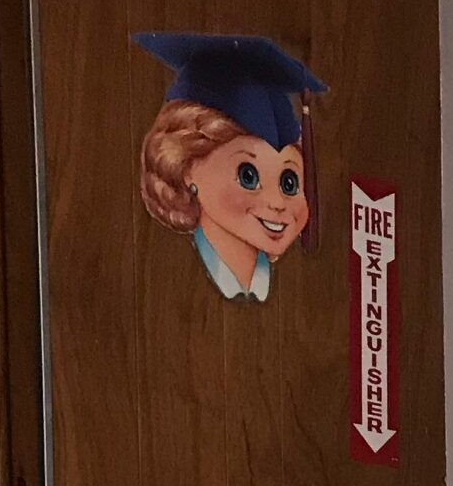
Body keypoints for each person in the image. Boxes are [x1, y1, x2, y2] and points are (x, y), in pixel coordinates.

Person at [133, 32, 325, 301]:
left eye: (289, 182)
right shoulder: (166, 282)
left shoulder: (285, 292)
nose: (277, 202)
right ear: (186, 169)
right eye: (248, 176)